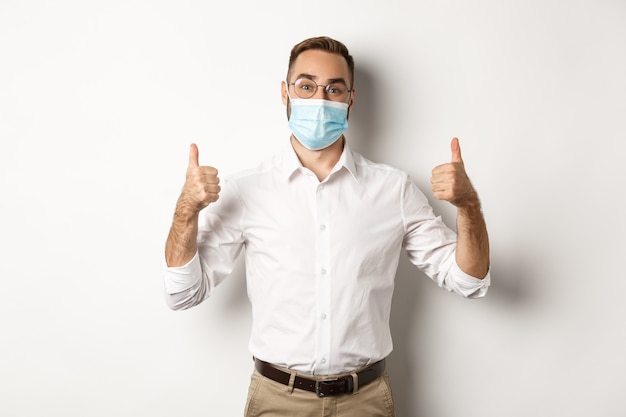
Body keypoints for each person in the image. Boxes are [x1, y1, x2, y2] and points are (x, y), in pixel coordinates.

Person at [162, 36, 490, 417]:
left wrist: (468, 206)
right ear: (285, 94)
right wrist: (187, 210)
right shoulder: (247, 190)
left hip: (364, 401)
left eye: (334, 89)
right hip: (276, 401)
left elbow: (469, 281)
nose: (319, 100)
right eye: (306, 86)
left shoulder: (393, 189)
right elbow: (182, 294)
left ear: (350, 100)